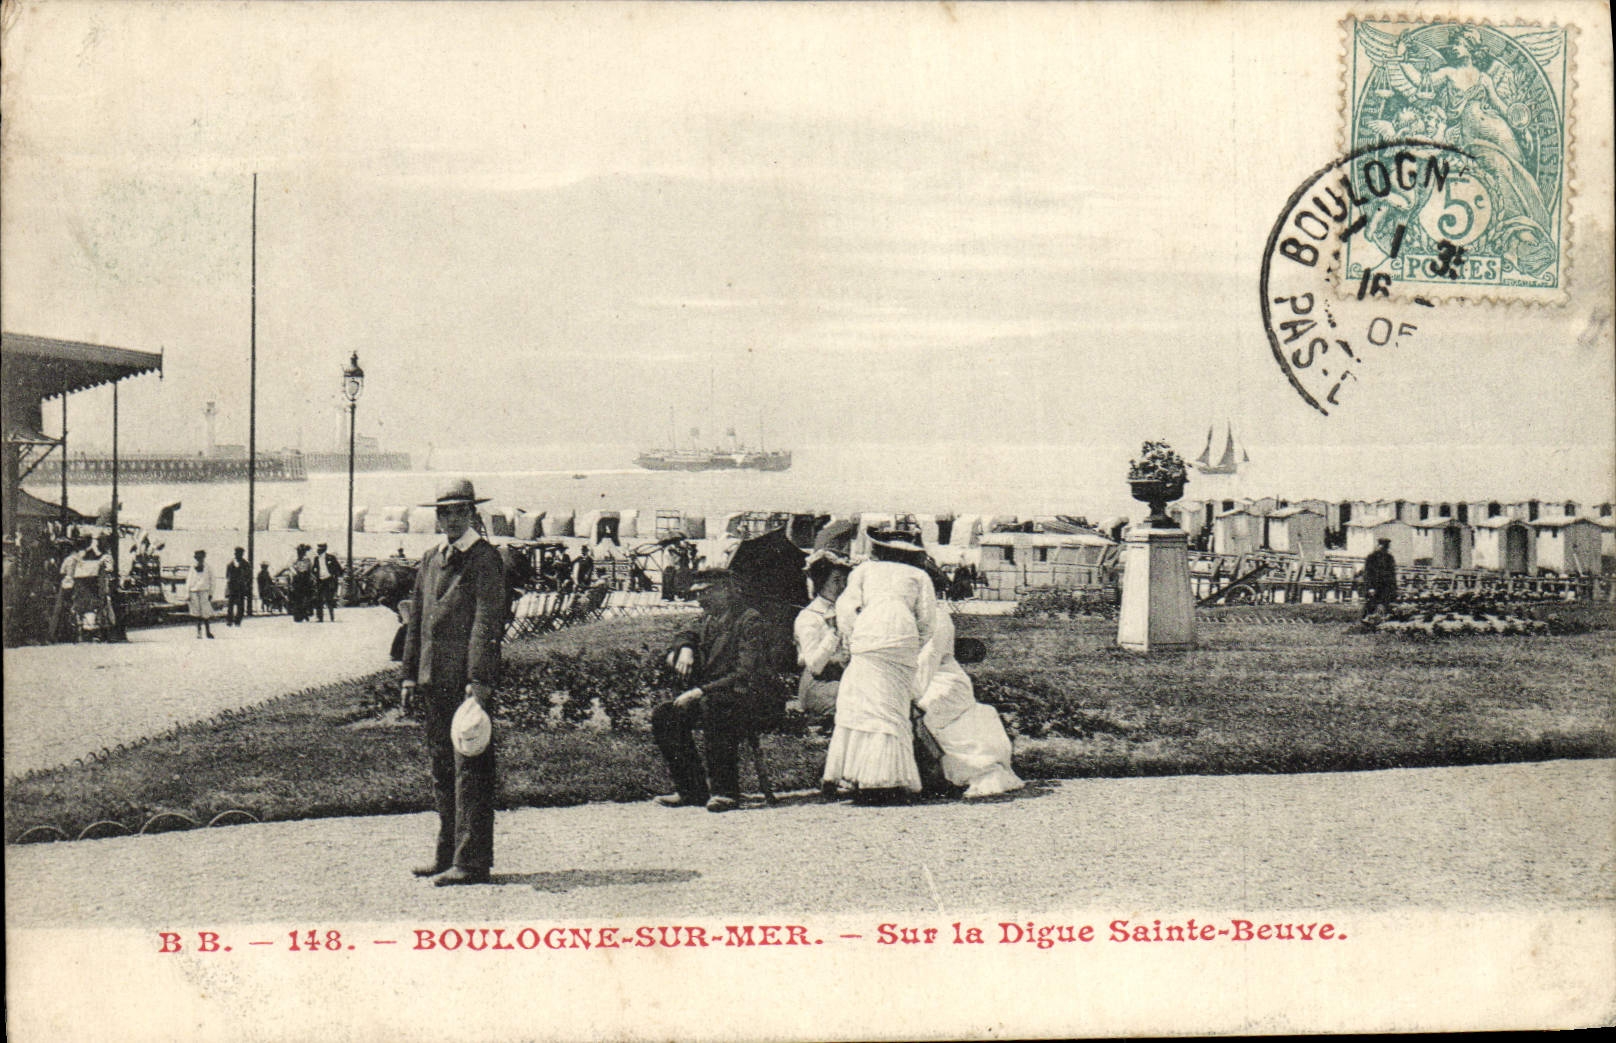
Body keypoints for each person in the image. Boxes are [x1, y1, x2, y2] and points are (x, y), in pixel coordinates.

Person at [399, 477, 506, 886]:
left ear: (472, 514)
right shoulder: (430, 559)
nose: (449, 518)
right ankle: (447, 854)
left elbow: (486, 624)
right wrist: (409, 676)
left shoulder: (485, 560)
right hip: (431, 680)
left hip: (464, 685)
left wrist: (478, 682)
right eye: (443, 511)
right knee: (442, 770)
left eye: (458, 511)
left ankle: (472, 861)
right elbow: (417, 623)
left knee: (471, 772)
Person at [822, 530, 936, 804]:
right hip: (902, 639)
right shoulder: (920, 576)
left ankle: (857, 775)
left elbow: (846, 608)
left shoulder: (864, 571)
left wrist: (853, 640)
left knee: (862, 704)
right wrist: (912, 644)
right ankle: (887, 779)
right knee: (892, 708)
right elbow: (927, 620)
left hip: (869, 637)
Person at [651, 569, 771, 813]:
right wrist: (684, 648)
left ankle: (725, 792)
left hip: (749, 697)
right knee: (666, 715)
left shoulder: (748, 620)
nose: (701, 600)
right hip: (714, 694)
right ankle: (691, 790)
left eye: (706, 592)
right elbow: (685, 634)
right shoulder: (707, 619)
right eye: (697, 594)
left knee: (715, 707)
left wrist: (699, 692)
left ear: (725, 591)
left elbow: (745, 673)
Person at [914, 581, 1024, 799]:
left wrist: (908, 693)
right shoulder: (897, 616)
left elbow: (929, 660)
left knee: (923, 708)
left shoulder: (938, 618)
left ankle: (938, 775)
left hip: (942, 680)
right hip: (911, 678)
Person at [794, 552, 851, 735]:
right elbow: (814, 666)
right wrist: (833, 632)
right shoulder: (808, 617)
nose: (842, 586)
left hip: (843, 679)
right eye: (836, 580)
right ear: (821, 581)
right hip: (818, 684)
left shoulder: (846, 610)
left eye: (844, 581)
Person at [1362, 537, 1398, 619]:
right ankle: (1367, 622)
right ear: (1379, 546)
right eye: (1383, 546)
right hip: (1375, 586)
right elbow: (1368, 573)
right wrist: (1370, 587)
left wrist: (1394, 589)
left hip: (1386, 587)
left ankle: (1382, 623)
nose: (1384, 549)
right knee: (1371, 605)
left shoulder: (1390, 558)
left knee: (1386, 606)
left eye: (1386, 547)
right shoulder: (1371, 557)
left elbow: (1392, 574)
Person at [187, 549, 216, 639]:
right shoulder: (192, 567)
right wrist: (187, 593)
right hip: (193, 591)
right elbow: (189, 580)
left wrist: (211, 593)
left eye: (200, 557)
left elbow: (212, 581)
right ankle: (199, 632)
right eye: (197, 557)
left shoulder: (208, 567)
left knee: (205, 612)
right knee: (196, 613)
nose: (199, 559)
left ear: (204, 557)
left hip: (204, 591)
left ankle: (208, 632)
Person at [313, 542, 344, 621]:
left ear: (324, 549)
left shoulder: (331, 558)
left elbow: (339, 569)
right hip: (320, 581)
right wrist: (316, 576)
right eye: (318, 549)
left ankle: (331, 616)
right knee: (318, 599)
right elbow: (314, 569)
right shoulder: (316, 559)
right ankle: (320, 617)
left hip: (329, 580)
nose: (318, 550)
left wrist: (335, 576)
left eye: (320, 549)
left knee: (329, 599)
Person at [289, 544, 315, 622]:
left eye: (300, 551)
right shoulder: (294, 560)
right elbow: (291, 567)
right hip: (297, 581)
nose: (299, 553)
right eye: (298, 551)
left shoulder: (306, 560)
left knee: (305, 598)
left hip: (304, 580)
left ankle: (304, 613)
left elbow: (308, 569)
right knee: (297, 599)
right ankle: (299, 615)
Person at [225, 547, 251, 626]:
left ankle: (238, 620)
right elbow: (227, 575)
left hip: (241, 586)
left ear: (242, 554)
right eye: (236, 553)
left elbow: (248, 575)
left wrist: (245, 582)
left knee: (241, 605)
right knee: (230, 604)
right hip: (232, 586)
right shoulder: (230, 563)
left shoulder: (246, 564)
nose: (237, 555)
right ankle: (229, 620)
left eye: (240, 553)